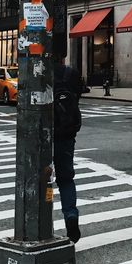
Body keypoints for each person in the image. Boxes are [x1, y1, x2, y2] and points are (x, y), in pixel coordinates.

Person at [54, 56, 83, 244]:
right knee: (66, 179)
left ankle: (40, 226)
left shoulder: (38, 71)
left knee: (40, 181)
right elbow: (78, 96)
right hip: (66, 134)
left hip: (44, 135)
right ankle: (71, 215)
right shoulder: (71, 73)